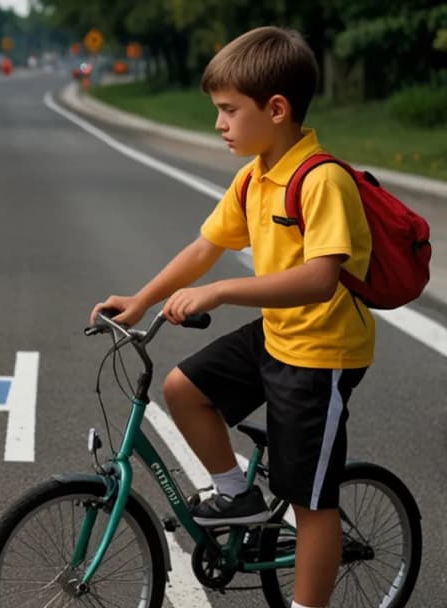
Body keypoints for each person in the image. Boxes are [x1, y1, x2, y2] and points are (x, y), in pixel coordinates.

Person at [91, 26, 372, 608]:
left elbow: (321, 279)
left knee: (310, 502)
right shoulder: (254, 177)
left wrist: (219, 293)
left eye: (227, 110)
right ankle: (234, 493)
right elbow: (204, 247)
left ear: (276, 109)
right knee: (183, 388)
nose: (219, 123)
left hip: (322, 354)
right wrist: (141, 299)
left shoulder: (321, 180)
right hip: (278, 335)